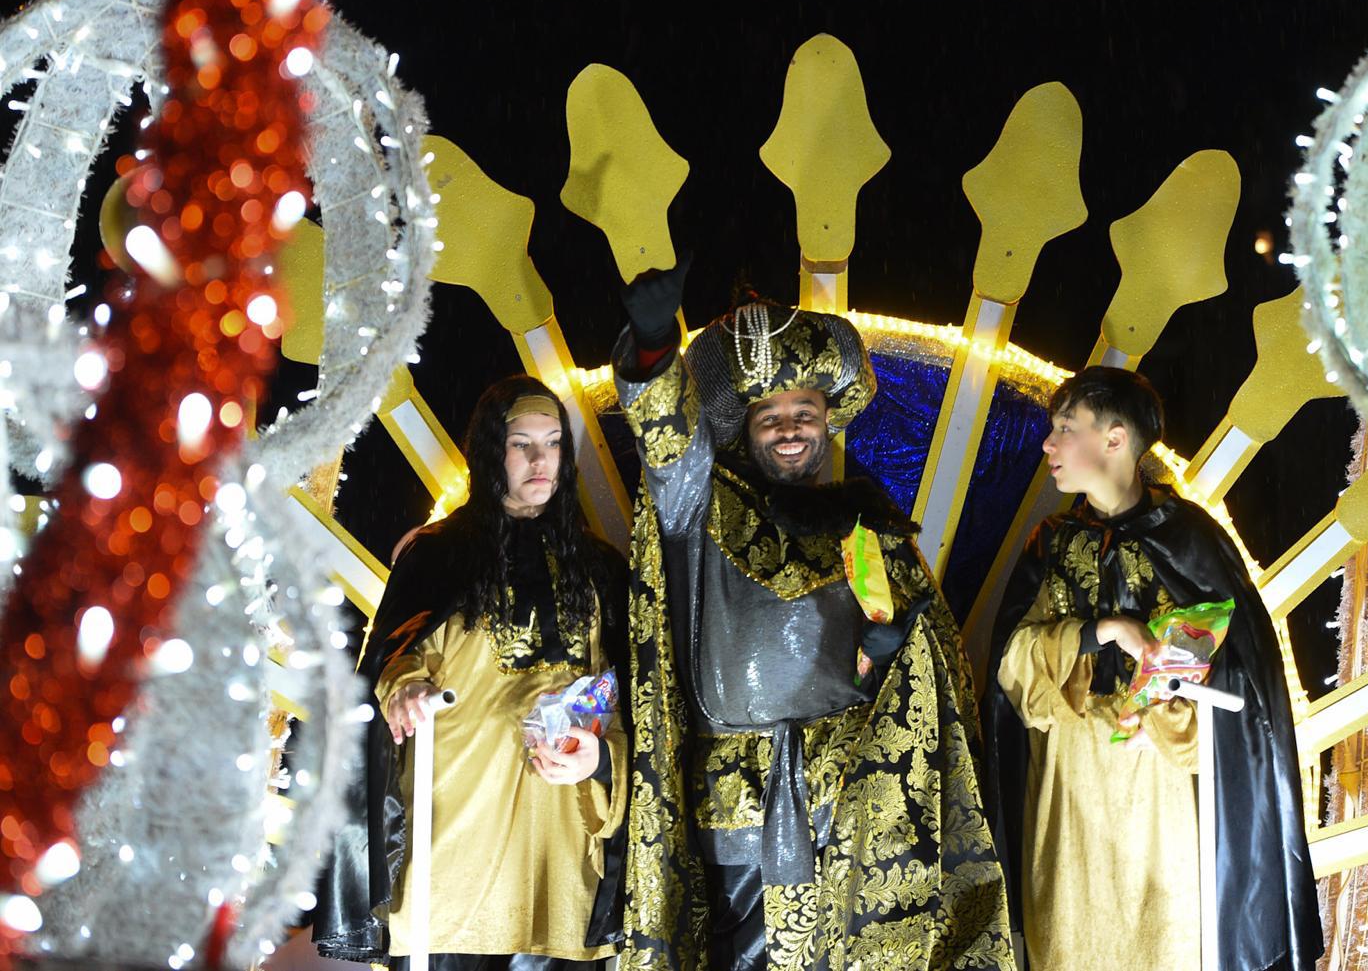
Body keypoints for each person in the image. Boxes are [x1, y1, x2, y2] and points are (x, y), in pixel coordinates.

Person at [612, 267, 1014, 971]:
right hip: (735, 811)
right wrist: (650, 356)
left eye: (804, 412)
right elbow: (669, 451)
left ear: (828, 419)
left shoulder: (867, 533)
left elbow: (897, 685)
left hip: (849, 808)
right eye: (772, 417)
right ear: (748, 429)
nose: (791, 429)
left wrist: (880, 655)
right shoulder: (703, 507)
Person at [980, 366, 1323, 971]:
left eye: (1065, 429)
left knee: (1165, 938)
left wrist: (1171, 712)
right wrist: (1103, 631)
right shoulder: (1053, 542)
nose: (1048, 445)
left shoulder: (1188, 537)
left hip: (1160, 781)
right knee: (1067, 936)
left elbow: (1240, 674)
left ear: (1114, 440)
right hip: (1069, 779)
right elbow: (1012, 661)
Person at [314, 376, 630, 971]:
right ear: (491, 453)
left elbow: (637, 705)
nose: (541, 460)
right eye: (521, 444)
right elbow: (392, 661)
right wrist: (402, 687)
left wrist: (603, 760)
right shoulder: (438, 554)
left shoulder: (601, 570)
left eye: (554, 442)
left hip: (559, 867)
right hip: (454, 857)